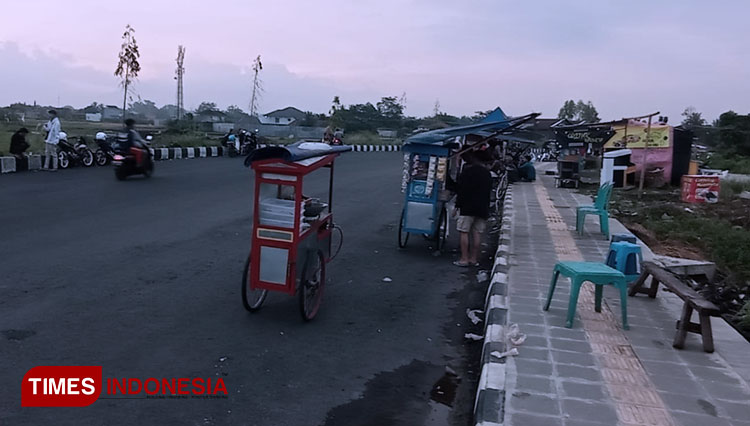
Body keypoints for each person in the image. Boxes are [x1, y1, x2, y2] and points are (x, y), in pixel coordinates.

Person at [453, 151, 492, 267]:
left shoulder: (467, 172)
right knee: (477, 233)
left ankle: (464, 259)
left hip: (468, 207)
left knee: (464, 232)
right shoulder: (487, 173)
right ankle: (473, 258)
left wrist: (457, 206)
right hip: (482, 207)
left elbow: (461, 190)